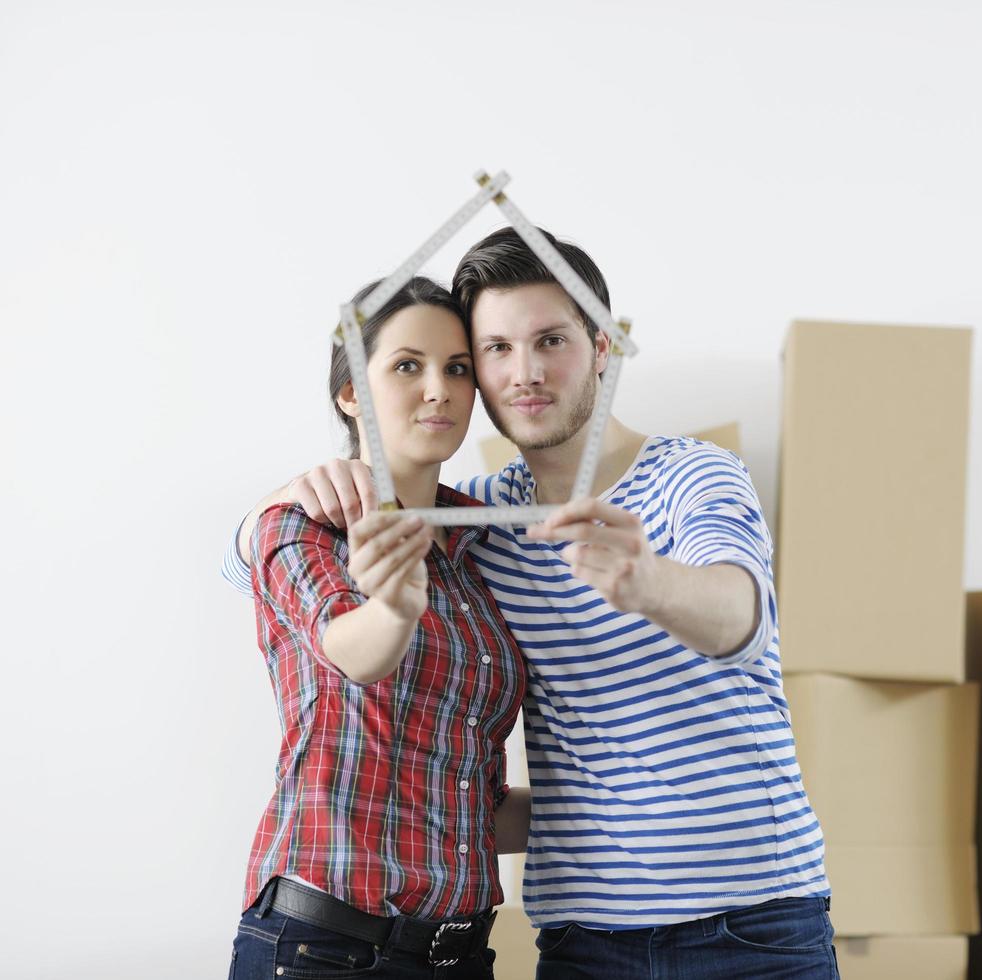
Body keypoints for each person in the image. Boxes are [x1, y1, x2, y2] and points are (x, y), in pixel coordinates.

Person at [225, 231, 838, 979]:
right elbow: (258, 563)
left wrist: (646, 581)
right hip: (583, 940)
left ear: (603, 347)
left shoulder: (695, 476)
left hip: (753, 928)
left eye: (551, 340)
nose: (526, 372)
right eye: (495, 351)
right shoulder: (477, 524)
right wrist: (279, 501)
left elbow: (740, 618)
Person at [230, 276, 528, 979]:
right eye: (406, 365)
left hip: (460, 953)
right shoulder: (300, 525)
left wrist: (640, 800)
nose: (439, 389)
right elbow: (352, 651)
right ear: (349, 394)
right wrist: (397, 601)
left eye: (457, 368)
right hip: (322, 949)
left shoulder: (483, 549)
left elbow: (471, 800)